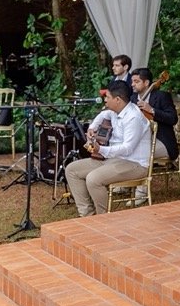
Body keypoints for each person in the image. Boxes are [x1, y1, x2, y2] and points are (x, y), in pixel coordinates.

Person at [64, 79, 150, 216]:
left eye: (107, 97)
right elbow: (104, 115)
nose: (105, 100)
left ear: (117, 99)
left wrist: (101, 150)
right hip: (113, 160)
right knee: (71, 170)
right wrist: (93, 127)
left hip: (135, 164)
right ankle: (86, 215)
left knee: (93, 179)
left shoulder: (133, 117)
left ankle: (102, 217)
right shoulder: (115, 111)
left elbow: (128, 148)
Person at [130, 67, 179, 161]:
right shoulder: (133, 98)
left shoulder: (162, 96)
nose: (132, 84)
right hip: (140, 140)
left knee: (133, 152)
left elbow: (173, 118)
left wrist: (152, 110)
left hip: (162, 141)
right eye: (132, 81)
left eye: (136, 81)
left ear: (146, 83)